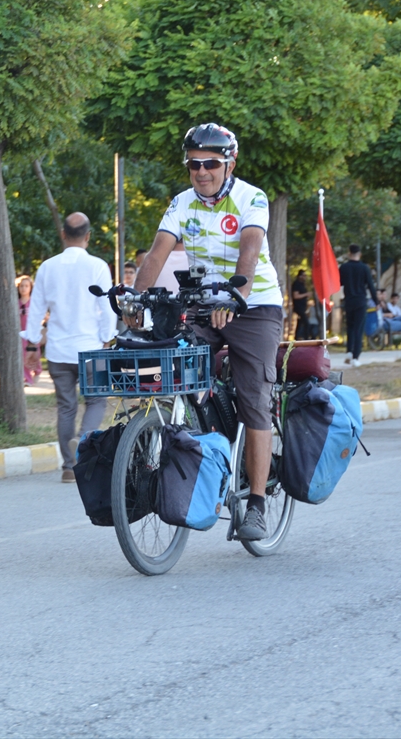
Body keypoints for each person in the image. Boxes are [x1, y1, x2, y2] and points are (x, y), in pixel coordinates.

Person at [131, 124, 284, 541]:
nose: (202, 172)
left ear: (229, 164)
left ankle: (255, 504)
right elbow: (156, 252)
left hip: (254, 304)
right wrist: (135, 299)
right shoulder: (181, 203)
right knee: (174, 360)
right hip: (201, 303)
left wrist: (234, 296)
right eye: (194, 164)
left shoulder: (251, 197)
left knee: (255, 397)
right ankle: (202, 437)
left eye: (211, 164)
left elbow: (250, 249)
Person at [21, 213, 117, 483]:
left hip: (59, 350)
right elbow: (107, 307)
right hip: (91, 348)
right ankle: (82, 440)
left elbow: (36, 308)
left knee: (66, 407)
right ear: (88, 236)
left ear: (63, 234)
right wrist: (107, 337)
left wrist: (31, 345)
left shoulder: (47, 267)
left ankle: (67, 466)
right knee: (96, 401)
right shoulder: (98, 266)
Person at [339, 244, 378, 366]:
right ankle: (356, 357)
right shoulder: (364, 268)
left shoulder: (343, 267)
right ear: (359, 254)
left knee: (350, 327)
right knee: (359, 329)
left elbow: (339, 283)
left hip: (349, 301)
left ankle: (349, 351)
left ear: (349, 253)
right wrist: (377, 301)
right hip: (361, 301)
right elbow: (371, 286)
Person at [17, 275, 43, 386]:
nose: (24, 288)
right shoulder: (16, 303)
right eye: (21, 286)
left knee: (34, 354)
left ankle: (37, 371)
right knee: (24, 355)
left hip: (32, 332)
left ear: (31, 288)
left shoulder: (33, 303)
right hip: (21, 333)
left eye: (26, 286)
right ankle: (27, 379)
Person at [290, 269, 312, 340]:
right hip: (298, 307)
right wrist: (306, 294)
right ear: (299, 276)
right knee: (306, 323)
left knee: (300, 324)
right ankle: (306, 339)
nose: (304, 277)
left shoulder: (302, 285)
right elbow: (295, 296)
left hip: (303, 307)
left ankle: (296, 338)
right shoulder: (296, 284)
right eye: (303, 275)